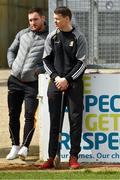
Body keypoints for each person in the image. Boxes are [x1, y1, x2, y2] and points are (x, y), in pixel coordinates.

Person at [38, 6, 87, 169]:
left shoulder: (79, 37)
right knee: (54, 121)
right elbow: (46, 61)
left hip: (73, 85)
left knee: (75, 121)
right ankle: (51, 157)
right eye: (54, 19)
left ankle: (73, 157)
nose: (54, 21)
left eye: (57, 19)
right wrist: (57, 78)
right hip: (56, 84)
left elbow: (82, 64)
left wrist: (67, 79)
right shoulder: (52, 36)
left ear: (67, 18)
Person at [6, 7, 48, 160]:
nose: (32, 23)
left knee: (30, 116)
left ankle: (25, 147)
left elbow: (51, 60)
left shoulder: (48, 38)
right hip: (15, 80)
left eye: (35, 19)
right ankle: (14, 146)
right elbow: (11, 50)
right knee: (13, 115)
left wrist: (40, 70)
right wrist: (12, 64)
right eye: (30, 20)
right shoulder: (22, 33)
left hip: (32, 83)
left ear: (43, 18)